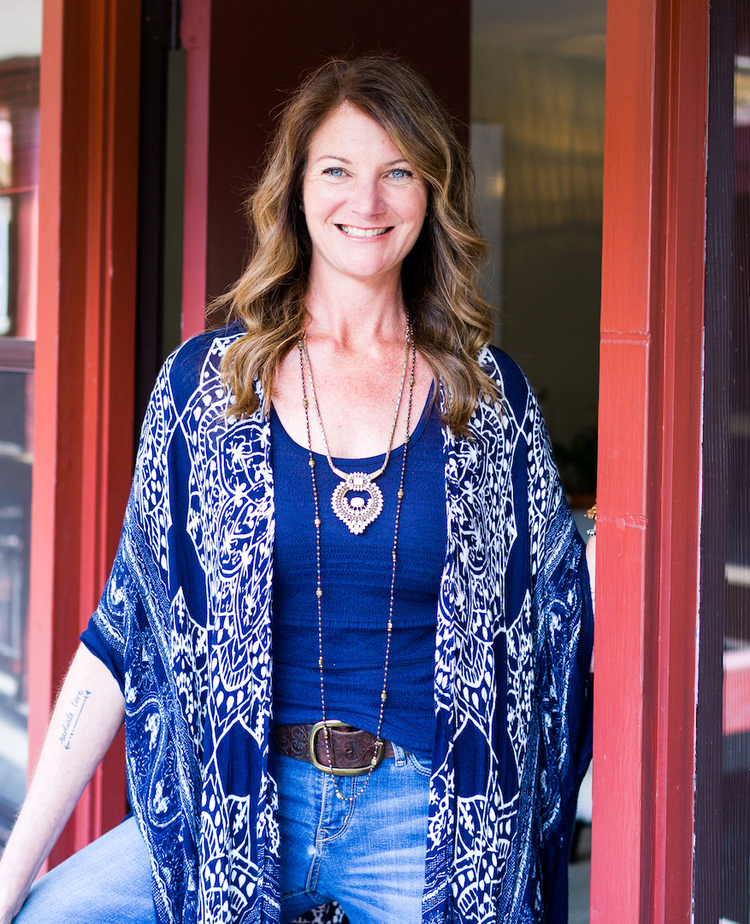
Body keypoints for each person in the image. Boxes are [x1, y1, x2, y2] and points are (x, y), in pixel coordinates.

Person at [0, 55, 594, 924]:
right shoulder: (209, 389)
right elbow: (124, 632)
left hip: (425, 821)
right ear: (296, 191)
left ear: (432, 193)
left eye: (398, 172)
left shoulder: (490, 401)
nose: (368, 202)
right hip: (234, 803)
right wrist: (13, 869)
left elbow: (552, 635)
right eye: (338, 171)